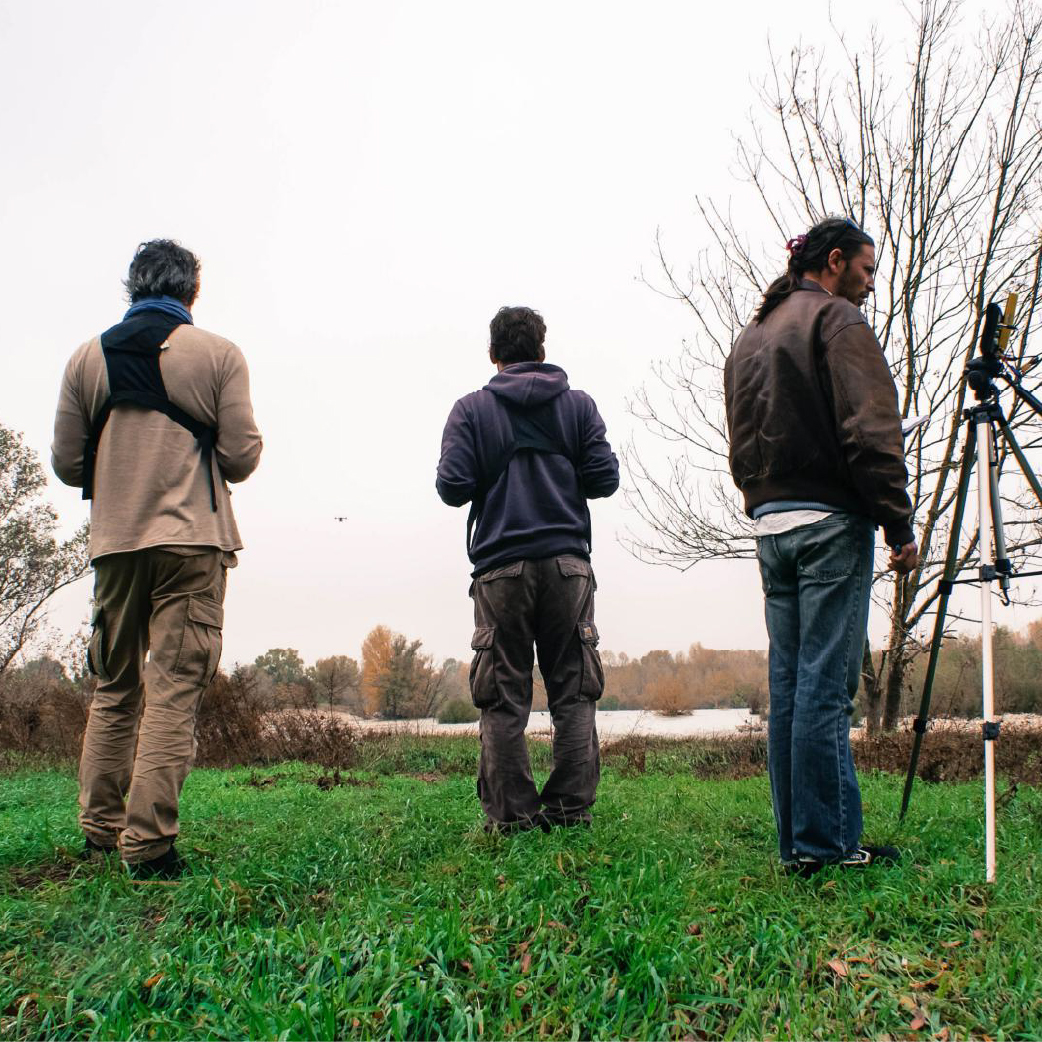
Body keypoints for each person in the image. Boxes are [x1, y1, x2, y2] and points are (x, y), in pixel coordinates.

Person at [51, 239, 262, 880]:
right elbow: (241, 457)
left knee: (113, 689)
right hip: (192, 543)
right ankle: (148, 847)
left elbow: (66, 463)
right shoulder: (219, 355)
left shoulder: (86, 359)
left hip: (115, 543)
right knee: (172, 692)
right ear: (191, 290)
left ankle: (99, 833)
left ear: (131, 287)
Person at [724, 217, 918, 877]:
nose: (869, 285)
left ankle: (798, 845)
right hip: (829, 524)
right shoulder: (836, 322)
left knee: (791, 686)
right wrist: (898, 524)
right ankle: (828, 845)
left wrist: (762, 499)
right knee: (826, 688)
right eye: (865, 270)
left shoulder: (753, 336)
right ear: (835, 262)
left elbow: (742, 439)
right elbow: (871, 431)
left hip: (772, 526)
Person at [437, 306, 619, 832]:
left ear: (493, 355)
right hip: (568, 567)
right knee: (575, 692)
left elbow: (451, 488)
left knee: (502, 696)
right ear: (542, 350)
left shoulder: (471, 410)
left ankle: (513, 817)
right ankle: (568, 811)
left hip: (499, 570)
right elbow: (604, 480)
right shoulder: (578, 407)